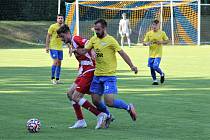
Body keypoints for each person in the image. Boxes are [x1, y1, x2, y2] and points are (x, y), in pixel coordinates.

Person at [74, 19, 138, 122]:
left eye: (98, 29)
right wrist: (75, 50)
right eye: (95, 30)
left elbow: (122, 53)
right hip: (97, 75)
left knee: (109, 102)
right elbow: (85, 50)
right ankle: (108, 116)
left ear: (104, 28)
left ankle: (128, 107)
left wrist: (132, 66)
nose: (96, 32)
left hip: (109, 76)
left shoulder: (111, 40)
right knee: (95, 101)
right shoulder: (93, 39)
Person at [57, 24, 109, 129]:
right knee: (70, 93)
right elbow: (82, 58)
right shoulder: (71, 43)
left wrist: (93, 51)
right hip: (83, 71)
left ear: (68, 33)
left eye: (62, 36)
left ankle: (100, 115)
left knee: (76, 96)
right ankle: (81, 121)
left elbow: (89, 43)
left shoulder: (75, 38)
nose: (62, 39)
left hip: (90, 70)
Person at [143, 19, 169, 85]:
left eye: (156, 25)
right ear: (151, 25)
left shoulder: (162, 33)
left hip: (158, 54)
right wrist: (147, 43)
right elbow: (144, 42)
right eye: (153, 25)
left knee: (155, 66)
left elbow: (167, 41)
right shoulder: (149, 33)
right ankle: (155, 81)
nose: (154, 26)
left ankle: (162, 74)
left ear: (158, 26)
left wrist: (161, 42)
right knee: (151, 68)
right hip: (151, 55)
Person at [45, 14, 64, 84]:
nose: (60, 19)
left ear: (63, 19)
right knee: (55, 61)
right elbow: (48, 36)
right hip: (53, 47)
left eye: (61, 18)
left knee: (59, 63)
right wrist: (47, 46)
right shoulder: (52, 26)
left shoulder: (64, 27)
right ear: (57, 19)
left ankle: (58, 79)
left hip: (60, 48)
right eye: (59, 18)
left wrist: (70, 47)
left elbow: (66, 38)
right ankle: (52, 79)